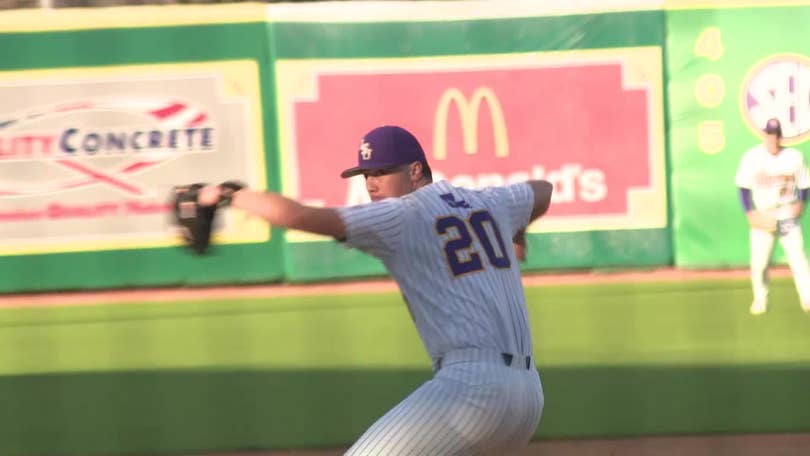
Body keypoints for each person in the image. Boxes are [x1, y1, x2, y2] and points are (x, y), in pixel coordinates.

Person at [195, 125, 552, 454]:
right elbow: (542, 191)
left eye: (381, 172)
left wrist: (228, 195)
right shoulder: (489, 202)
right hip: (528, 398)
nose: (371, 183)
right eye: (366, 174)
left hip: (472, 390)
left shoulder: (400, 215)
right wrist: (514, 231)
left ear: (415, 171)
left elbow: (300, 217)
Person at [735, 117, 810, 315]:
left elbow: (804, 184)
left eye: (775, 135)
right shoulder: (752, 157)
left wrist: (801, 203)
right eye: (769, 134)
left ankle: (807, 299)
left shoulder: (794, 156)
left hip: (786, 213)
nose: (772, 138)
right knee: (759, 264)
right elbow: (742, 187)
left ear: (780, 136)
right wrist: (749, 212)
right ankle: (760, 300)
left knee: (799, 260)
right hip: (763, 214)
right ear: (765, 135)